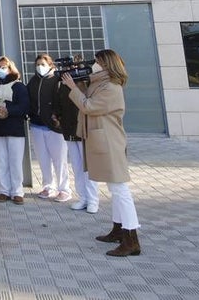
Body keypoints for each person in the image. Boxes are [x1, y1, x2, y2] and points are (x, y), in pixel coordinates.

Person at [60, 49, 142, 257]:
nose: (92, 65)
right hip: (102, 141)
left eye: (96, 62)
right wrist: (76, 79)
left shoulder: (112, 87)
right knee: (114, 189)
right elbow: (85, 96)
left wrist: (72, 86)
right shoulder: (99, 83)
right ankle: (118, 229)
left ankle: (131, 238)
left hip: (110, 143)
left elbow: (88, 106)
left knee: (120, 189)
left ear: (106, 65)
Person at [0, 55, 28, 204]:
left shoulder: (18, 86)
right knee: (0, 161)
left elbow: (24, 106)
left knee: (15, 161)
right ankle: (4, 190)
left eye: (4, 67)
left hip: (14, 129)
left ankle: (17, 191)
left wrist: (8, 110)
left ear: (10, 69)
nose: (1, 70)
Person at [54, 67, 99, 214]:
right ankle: (83, 197)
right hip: (69, 130)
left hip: (83, 130)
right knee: (77, 166)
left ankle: (93, 199)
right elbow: (60, 104)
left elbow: (86, 104)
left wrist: (74, 85)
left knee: (87, 168)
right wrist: (57, 117)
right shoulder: (62, 86)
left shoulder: (85, 84)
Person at [26, 54, 71, 202]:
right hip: (37, 125)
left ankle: (64, 188)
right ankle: (48, 186)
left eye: (43, 64)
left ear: (51, 65)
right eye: (38, 64)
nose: (40, 67)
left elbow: (62, 100)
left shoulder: (56, 80)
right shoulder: (33, 81)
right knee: (43, 158)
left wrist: (58, 116)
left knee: (59, 160)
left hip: (54, 127)